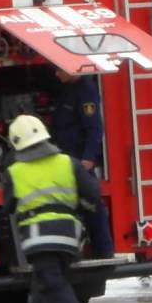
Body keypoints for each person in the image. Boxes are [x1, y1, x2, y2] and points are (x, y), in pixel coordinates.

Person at [3, 114, 99, 303]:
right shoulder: (69, 162)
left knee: (50, 281)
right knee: (45, 283)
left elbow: (8, 207)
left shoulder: (15, 172)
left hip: (37, 238)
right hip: (69, 235)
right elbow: (92, 194)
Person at [51, 70, 114, 257]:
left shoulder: (86, 90)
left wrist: (88, 158)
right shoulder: (67, 88)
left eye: (59, 69)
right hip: (65, 158)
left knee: (91, 204)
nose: (56, 74)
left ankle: (104, 250)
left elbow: (94, 128)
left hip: (79, 160)